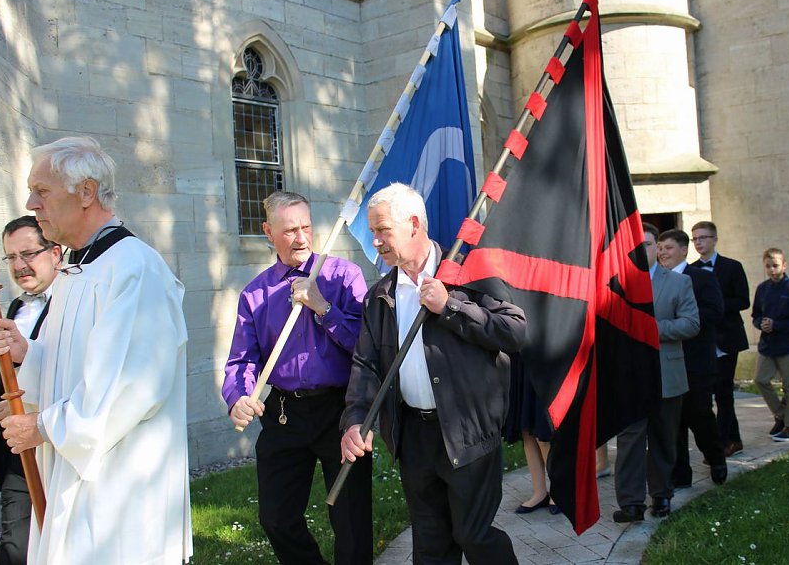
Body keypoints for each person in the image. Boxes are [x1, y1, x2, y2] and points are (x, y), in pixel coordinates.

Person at [0, 136, 192, 564]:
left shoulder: (133, 269)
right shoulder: (78, 270)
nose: (30, 203)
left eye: (41, 191)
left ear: (86, 192)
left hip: (118, 489)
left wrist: (40, 426)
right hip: (77, 473)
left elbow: (130, 388)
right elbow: (76, 368)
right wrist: (28, 355)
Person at [340, 183, 526, 564]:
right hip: (414, 438)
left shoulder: (469, 273)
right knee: (430, 546)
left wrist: (451, 306)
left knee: (474, 536)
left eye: (382, 230)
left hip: (467, 431)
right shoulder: (379, 296)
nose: (375, 241)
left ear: (413, 224)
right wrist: (356, 420)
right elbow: (366, 365)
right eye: (373, 231)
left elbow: (514, 331)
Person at [223, 191, 372, 565]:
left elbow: (368, 347)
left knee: (351, 522)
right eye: (290, 230)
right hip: (285, 413)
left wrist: (324, 307)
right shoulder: (255, 294)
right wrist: (239, 397)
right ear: (268, 232)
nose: (301, 238)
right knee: (276, 518)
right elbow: (242, 360)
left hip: (342, 410)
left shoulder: (343, 277)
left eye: (306, 227)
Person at [613, 223, 700, 522]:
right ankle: (631, 503)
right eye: (636, 246)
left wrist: (651, 329)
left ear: (657, 249)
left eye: (648, 244)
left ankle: (662, 496)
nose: (642, 250)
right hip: (629, 377)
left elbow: (691, 323)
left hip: (667, 374)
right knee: (629, 440)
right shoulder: (616, 284)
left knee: (663, 438)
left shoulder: (678, 282)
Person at [0, 216, 60, 565]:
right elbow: (12, 381)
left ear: (55, 253)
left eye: (28, 253)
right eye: (11, 257)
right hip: (17, 452)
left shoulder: (77, 307)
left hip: (61, 443)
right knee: (15, 549)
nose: (19, 266)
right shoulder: (16, 307)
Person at [657, 229, 727, 487]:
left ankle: (716, 458)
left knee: (699, 414)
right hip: (668, 360)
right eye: (660, 248)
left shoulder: (701, 277)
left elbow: (715, 311)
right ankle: (680, 474)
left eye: (668, 248)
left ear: (684, 250)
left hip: (695, 360)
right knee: (673, 419)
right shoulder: (655, 280)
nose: (663, 253)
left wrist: (683, 320)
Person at [690, 221, 750, 458]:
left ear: (714, 239)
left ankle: (727, 441)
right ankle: (726, 439)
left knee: (724, 392)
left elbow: (743, 300)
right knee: (707, 394)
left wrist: (716, 305)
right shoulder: (691, 270)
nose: (699, 242)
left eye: (703, 237)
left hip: (727, 337)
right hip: (702, 340)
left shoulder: (732, 267)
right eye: (695, 238)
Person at [751, 248, 789, 442]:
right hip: (768, 344)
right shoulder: (762, 288)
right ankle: (782, 414)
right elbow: (756, 314)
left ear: (784, 266)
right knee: (760, 379)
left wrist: (777, 325)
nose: (771, 269)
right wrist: (761, 323)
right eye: (768, 266)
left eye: (775, 265)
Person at [502, 355, 555, 514]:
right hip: (518, 358)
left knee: (542, 430)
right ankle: (540, 492)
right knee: (525, 427)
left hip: (543, 359)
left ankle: (559, 491)